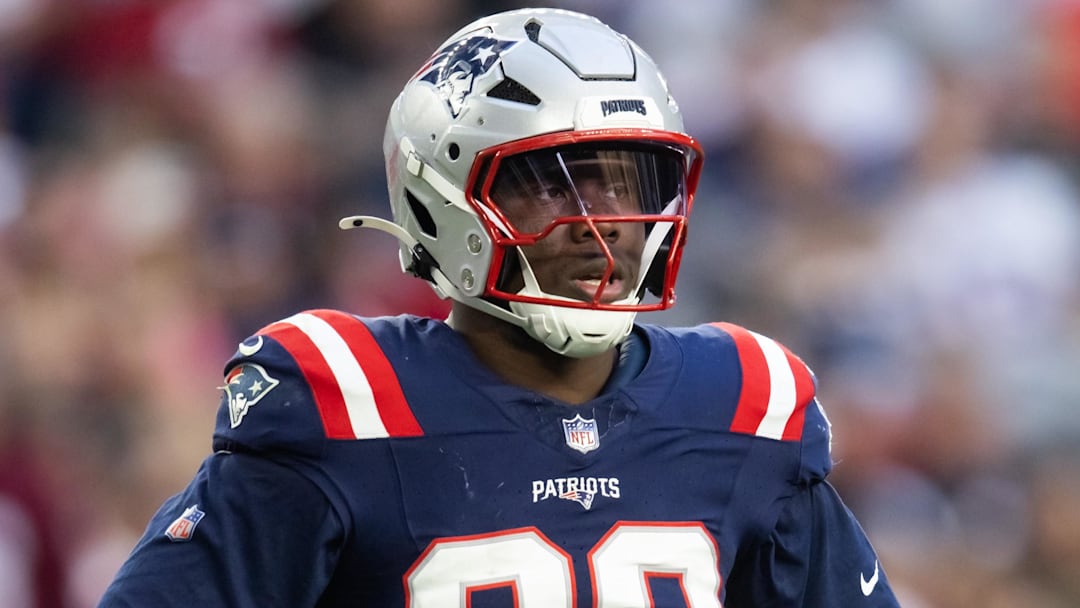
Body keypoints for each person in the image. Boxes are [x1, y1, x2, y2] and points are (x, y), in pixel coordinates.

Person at [98, 8, 899, 607]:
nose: (601, 222)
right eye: (552, 181)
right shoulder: (347, 407)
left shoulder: (742, 407)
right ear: (440, 198)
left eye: (626, 181)